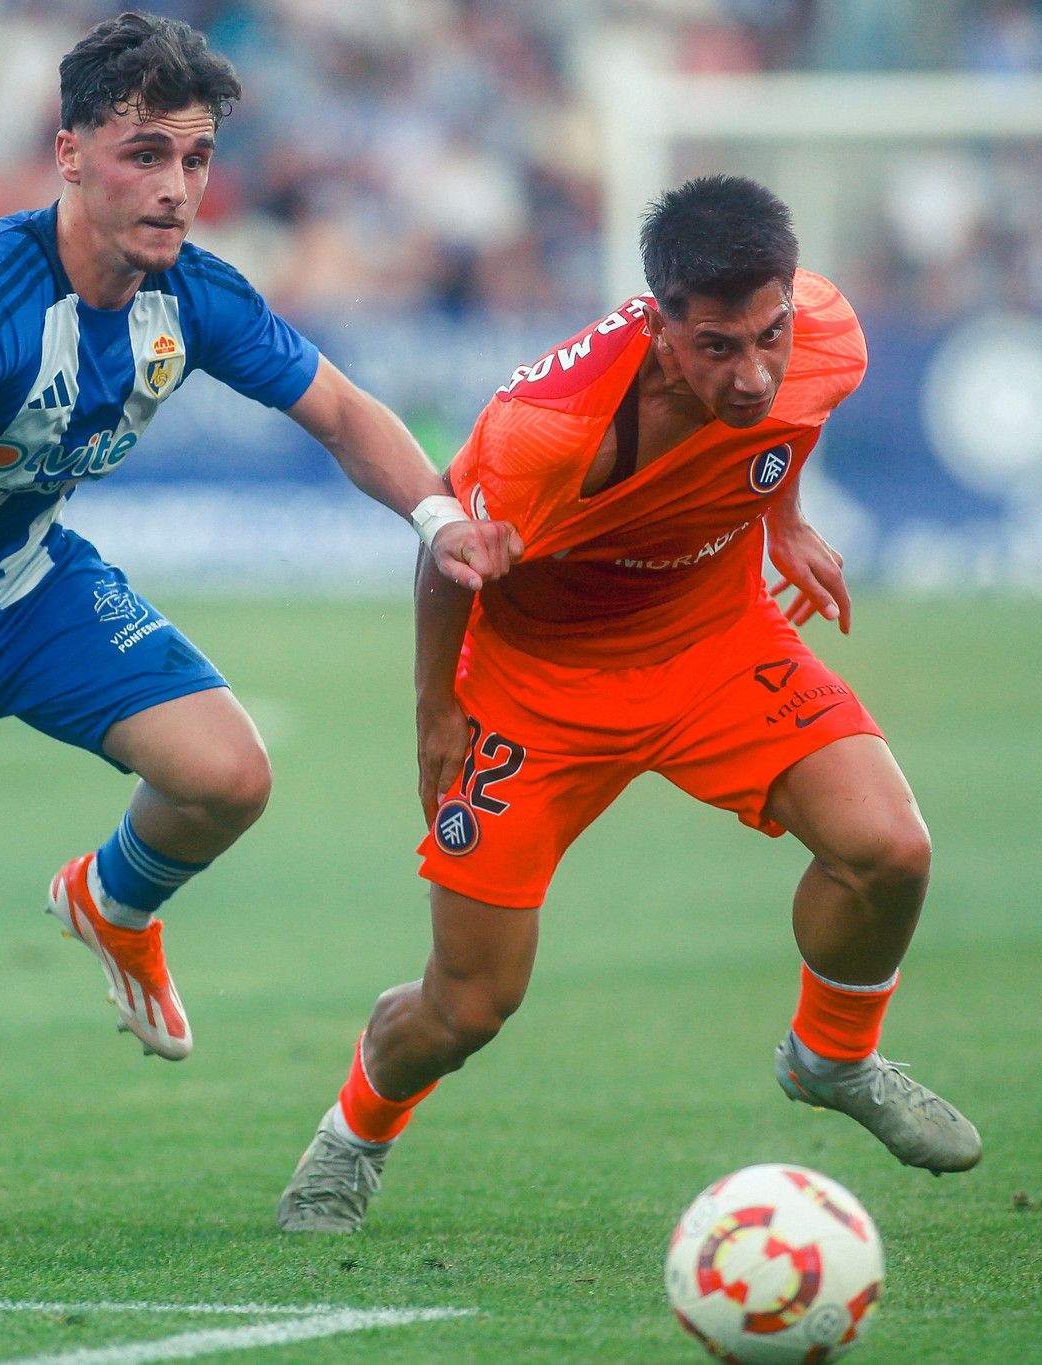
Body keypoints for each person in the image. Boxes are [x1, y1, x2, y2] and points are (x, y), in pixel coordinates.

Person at [0, 12, 517, 1238]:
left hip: (22, 583)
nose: (175, 189)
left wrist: (438, 520)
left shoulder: (191, 297)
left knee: (226, 775)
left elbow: (339, 410)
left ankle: (112, 902)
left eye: (195, 158)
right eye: (143, 155)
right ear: (68, 154)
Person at [277, 175, 979, 1235]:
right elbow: (446, 561)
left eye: (767, 336)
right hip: (536, 690)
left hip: (712, 642)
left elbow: (786, 417)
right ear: (660, 330)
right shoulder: (543, 435)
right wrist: (433, 713)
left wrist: (779, 515)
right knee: (467, 1005)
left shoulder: (822, 332)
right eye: (717, 348)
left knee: (889, 849)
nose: (750, 373)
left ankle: (833, 1057)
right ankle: (350, 1139)